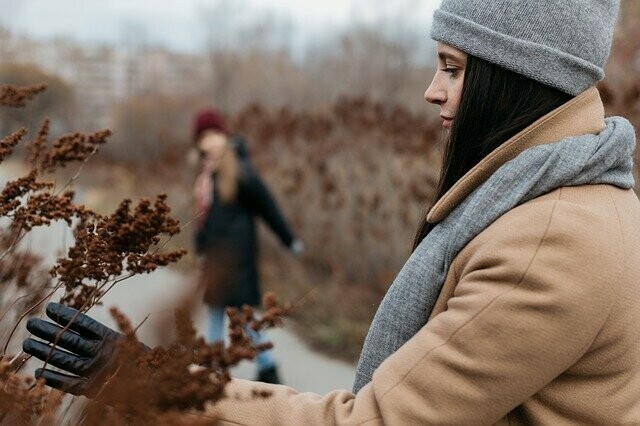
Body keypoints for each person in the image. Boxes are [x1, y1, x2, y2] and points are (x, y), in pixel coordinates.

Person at [23, 0, 640, 423]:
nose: (432, 89)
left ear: (515, 80)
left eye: (453, 68)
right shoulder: (581, 203)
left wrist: (156, 381)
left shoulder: (547, 244)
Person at [191, 109, 304, 384]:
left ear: (224, 135)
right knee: (218, 314)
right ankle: (216, 368)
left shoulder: (240, 171)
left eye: (215, 134)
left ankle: (264, 368)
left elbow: (268, 207)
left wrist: (289, 240)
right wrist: (200, 246)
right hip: (217, 260)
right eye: (204, 137)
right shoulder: (207, 175)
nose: (211, 142)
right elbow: (204, 218)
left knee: (243, 318)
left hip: (238, 261)